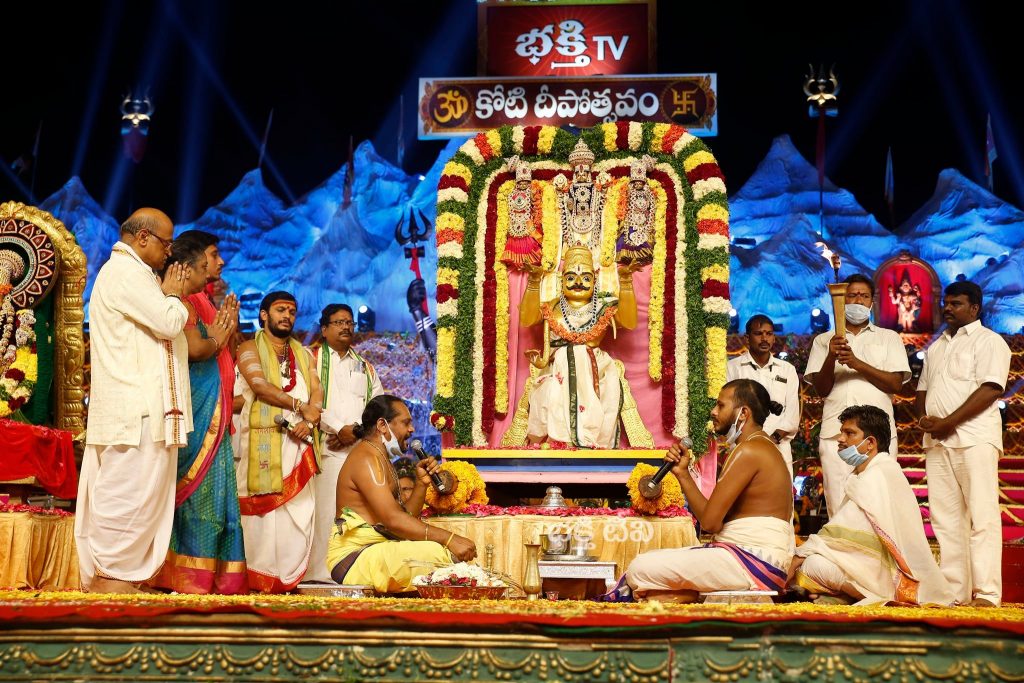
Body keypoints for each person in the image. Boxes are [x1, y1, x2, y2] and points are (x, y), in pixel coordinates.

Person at [75, 208, 192, 593]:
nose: (169, 252)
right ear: (142, 237)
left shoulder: (136, 274)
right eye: (166, 243)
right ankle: (110, 585)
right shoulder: (126, 272)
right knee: (127, 498)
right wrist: (173, 294)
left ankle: (120, 584)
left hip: (141, 411)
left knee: (141, 498)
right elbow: (169, 322)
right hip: (135, 411)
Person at [621, 379, 794, 602]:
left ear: (743, 413)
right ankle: (686, 595)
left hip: (752, 562)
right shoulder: (761, 446)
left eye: (721, 405)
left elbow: (711, 523)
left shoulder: (749, 450)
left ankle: (690, 595)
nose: (714, 412)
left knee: (639, 568)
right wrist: (682, 473)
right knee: (654, 566)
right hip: (759, 561)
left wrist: (684, 477)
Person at [151, 236, 246, 594]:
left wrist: (226, 335)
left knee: (219, 496)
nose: (219, 262)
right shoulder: (185, 301)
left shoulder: (204, 300)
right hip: (197, 413)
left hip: (216, 415)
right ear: (192, 262)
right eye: (214, 254)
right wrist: (220, 337)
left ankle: (216, 577)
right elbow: (195, 350)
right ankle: (187, 577)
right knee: (196, 493)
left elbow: (221, 351)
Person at [790, 405, 954, 606]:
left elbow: (842, 530)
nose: (841, 439)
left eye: (849, 433)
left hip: (891, 573)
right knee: (813, 563)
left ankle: (867, 596)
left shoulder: (878, 474)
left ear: (870, 443)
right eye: (842, 432)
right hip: (873, 564)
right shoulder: (870, 472)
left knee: (810, 565)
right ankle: (848, 595)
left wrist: (801, 554)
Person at [916, 281, 1010, 607]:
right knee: (945, 519)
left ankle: (986, 593)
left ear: (974, 308)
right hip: (938, 442)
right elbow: (922, 390)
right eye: (946, 303)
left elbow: (991, 389)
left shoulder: (990, 342)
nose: (948, 308)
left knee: (982, 517)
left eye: (956, 304)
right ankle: (955, 591)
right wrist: (925, 418)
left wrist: (948, 422)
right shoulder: (936, 346)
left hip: (974, 439)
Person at [327, 395, 476, 593]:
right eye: (406, 423)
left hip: (378, 551)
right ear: (382, 425)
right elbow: (393, 520)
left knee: (441, 556)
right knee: (439, 553)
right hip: (355, 558)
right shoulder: (366, 458)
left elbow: (403, 520)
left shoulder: (381, 458)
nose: (411, 430)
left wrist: (422, 484)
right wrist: (449, 539)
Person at [235, 291, 324, 592]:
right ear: (263, 315)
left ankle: (287, 579)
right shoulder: (248, 348)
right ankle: (260, 579)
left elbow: (316, 391)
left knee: (297, 511)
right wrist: (300, 409)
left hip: (299, 442)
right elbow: (260, 386)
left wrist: (309, 421)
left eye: (292, 311)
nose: (287, 315)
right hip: (263, 441)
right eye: (280, 310)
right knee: (263, 514)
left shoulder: (305, 353)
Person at [518, 245, 647, 448]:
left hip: (594, 370)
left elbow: (629, 322)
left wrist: (626, 281)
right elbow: (526, 319)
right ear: (562, 282)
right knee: (551, 392)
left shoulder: (604, 305)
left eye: (586, 278)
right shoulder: (552, 306)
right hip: (556, 369)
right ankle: (560, 440)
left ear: (595, 282)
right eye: (571, 277)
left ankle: (587, 440)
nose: (578, 282)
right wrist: (534, 282)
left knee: (596, 382)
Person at [804, 273, 910, 516]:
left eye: (864, 296)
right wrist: (831, 356)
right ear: (841, 300)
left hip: (879, 435)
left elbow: (896, 383)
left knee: (879, 502)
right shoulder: (824, 340)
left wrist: (856, 363)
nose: (858, 301)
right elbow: (820, 389)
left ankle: (876, 553)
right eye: (852, 295)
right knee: (838, 502)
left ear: (872, 302)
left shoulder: (888, 338)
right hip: (836, 435)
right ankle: (839, 553)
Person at [303, 303, 384, 583]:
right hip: (322, 448)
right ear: (323, 329)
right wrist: (338, 429)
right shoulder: (309, 359)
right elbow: (305, 400)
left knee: (353, 516)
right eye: (338, 322)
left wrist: (356, 432)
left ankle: (347, 573)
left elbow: (377, 408)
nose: (346, 327)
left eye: (349, 322)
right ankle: (318, 575)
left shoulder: (366, 367)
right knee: (323, 512)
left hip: (356, 451)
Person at [726, 314, 801, 475]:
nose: (764, 338)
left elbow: (792, 416)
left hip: (778, 448)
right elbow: (728, 411)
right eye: (758, 333)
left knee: (780, 498)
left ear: (774, 338)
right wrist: (750, 441)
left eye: (769, 333)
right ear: (747, 338)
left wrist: (771, 439)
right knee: (744, 499)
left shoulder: (787, 369)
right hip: (742, 448)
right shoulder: (732, 368)